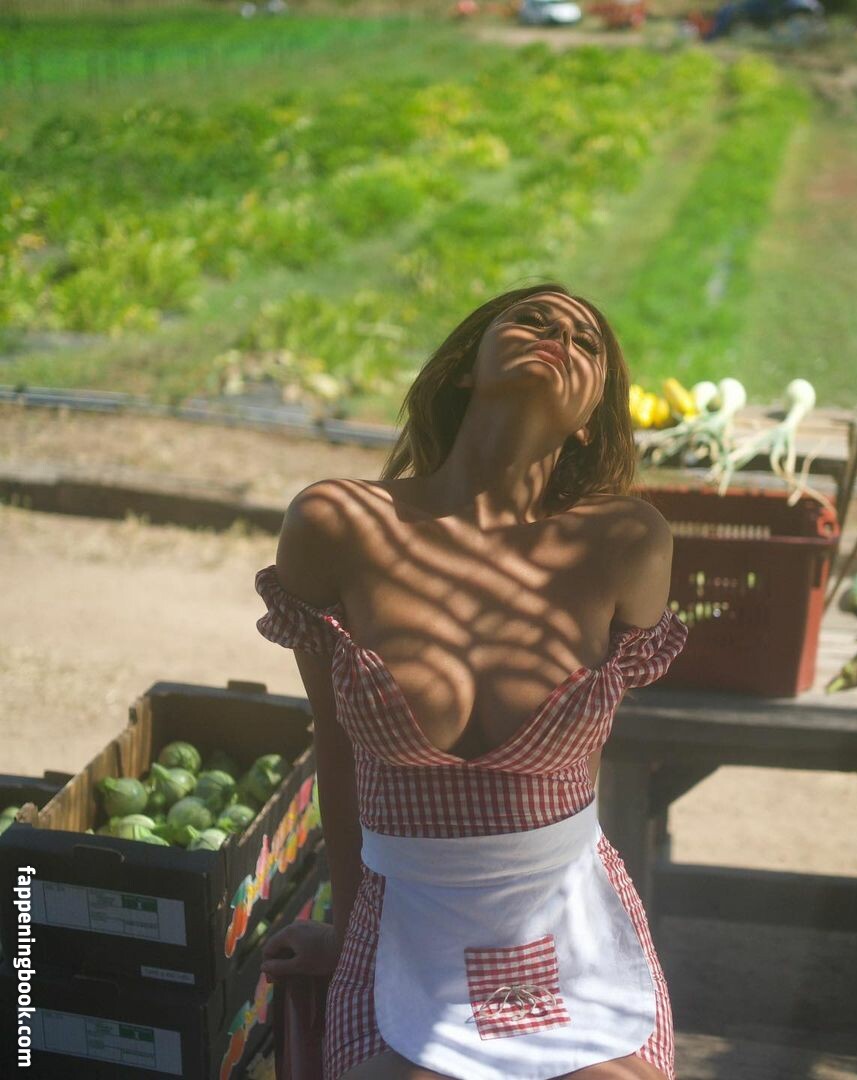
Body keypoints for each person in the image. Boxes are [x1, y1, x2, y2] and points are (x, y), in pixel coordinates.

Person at [254, 282, 689, 1080]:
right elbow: (336, 750)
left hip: (569, 920)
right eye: (532, 319)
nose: (558, 336)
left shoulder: (627, 541)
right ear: (464, 367)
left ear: (591, 418)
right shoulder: (337, 524)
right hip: (404, 919)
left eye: (586, 342)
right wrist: (347, 934)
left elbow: (582, 766)